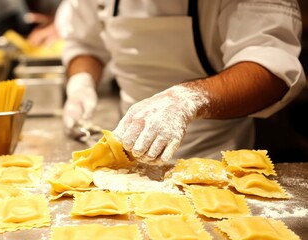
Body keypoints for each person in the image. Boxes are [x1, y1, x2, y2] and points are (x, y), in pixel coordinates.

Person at [59, 0, 306, 164]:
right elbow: (85, 42)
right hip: (129, 151)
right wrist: (81, 82)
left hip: (214, 158)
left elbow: (270, 69)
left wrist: (184, 101)